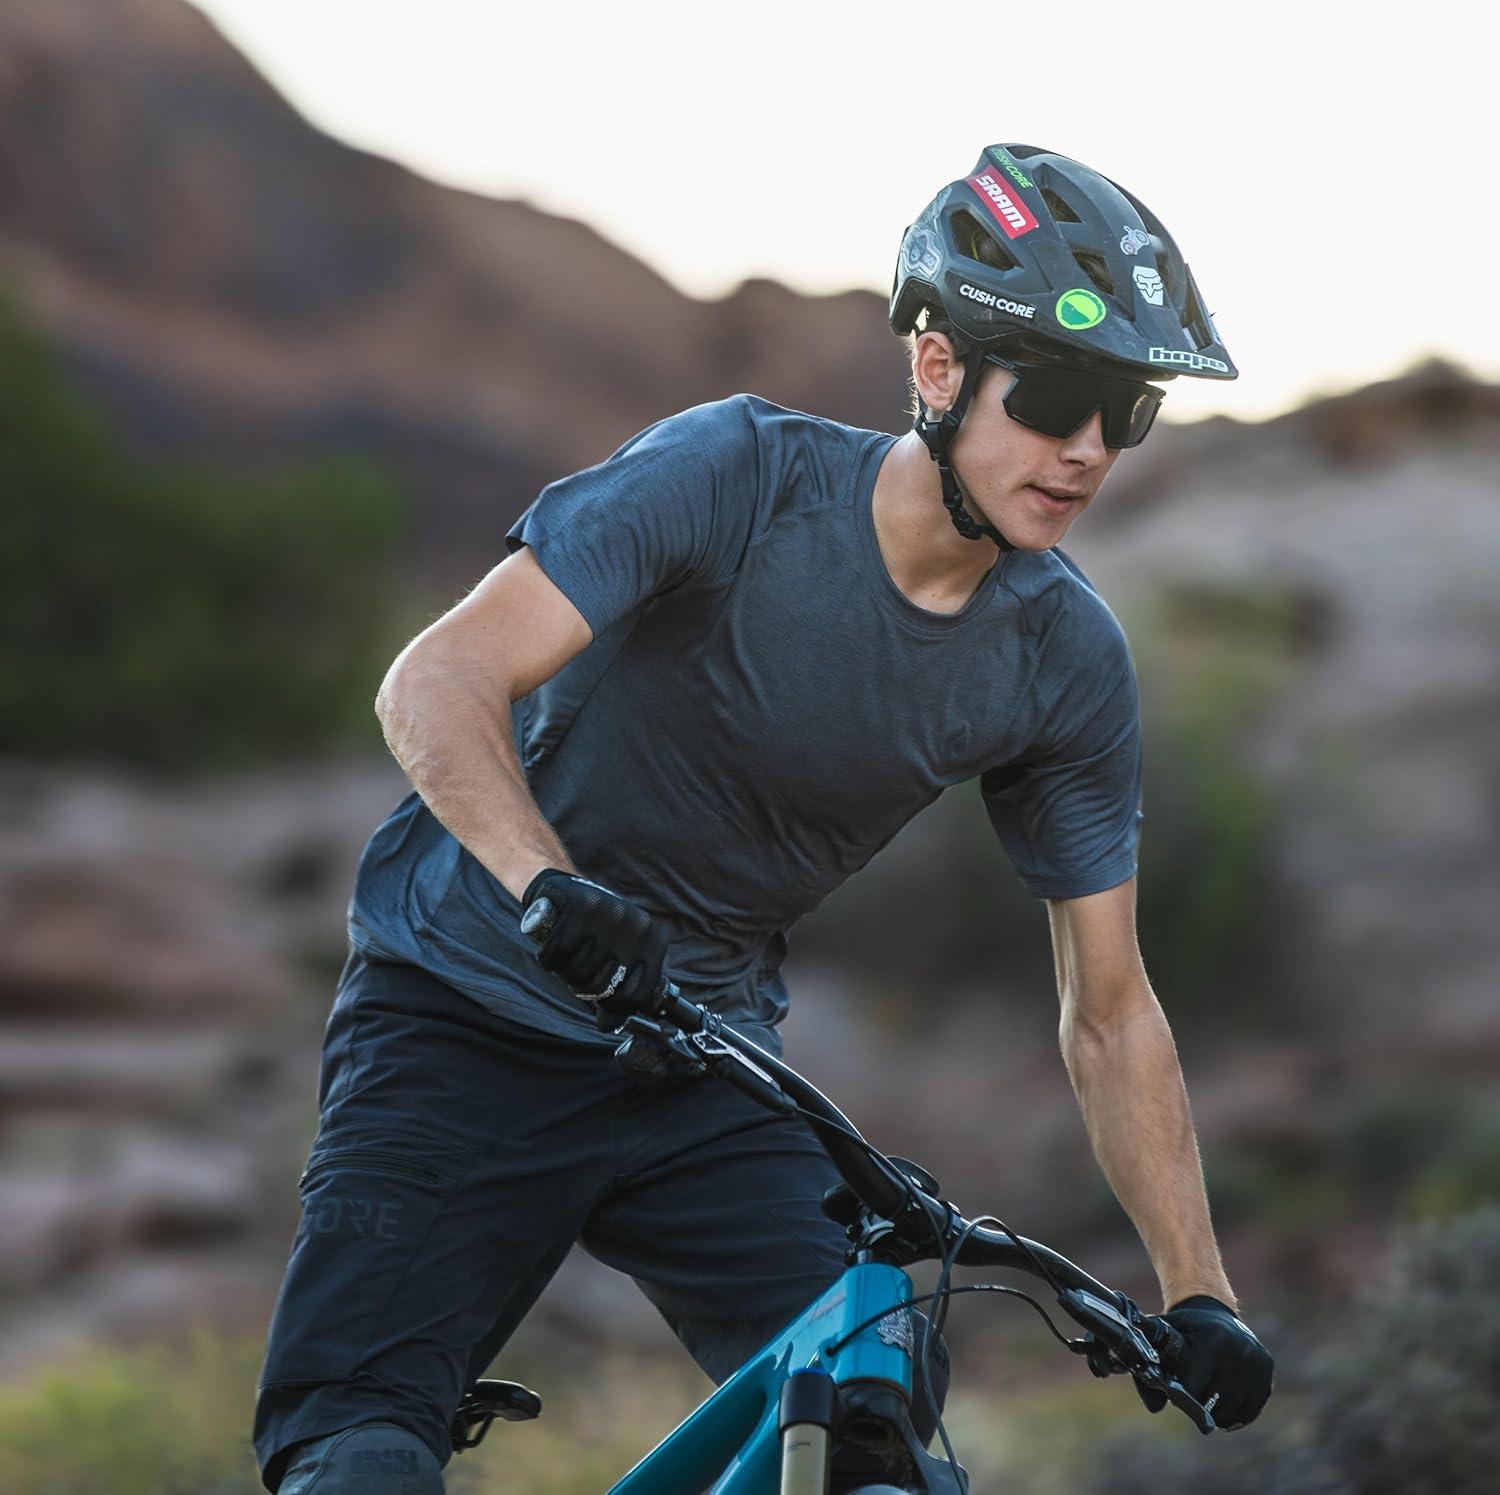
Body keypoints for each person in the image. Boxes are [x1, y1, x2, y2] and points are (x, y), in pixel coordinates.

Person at [253, 142, 1274, 1492]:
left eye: (1126, 412)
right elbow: (436, 680)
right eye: (1055, 397)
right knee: (359, 1446)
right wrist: (547, 884)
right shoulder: (734, 475)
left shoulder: (1063, 661)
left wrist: (1200, 1292)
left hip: (698, 1062)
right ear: (938, 369)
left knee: (873, 1396)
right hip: (464, 1008)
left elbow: (1111, 1007)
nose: (1087, 448)